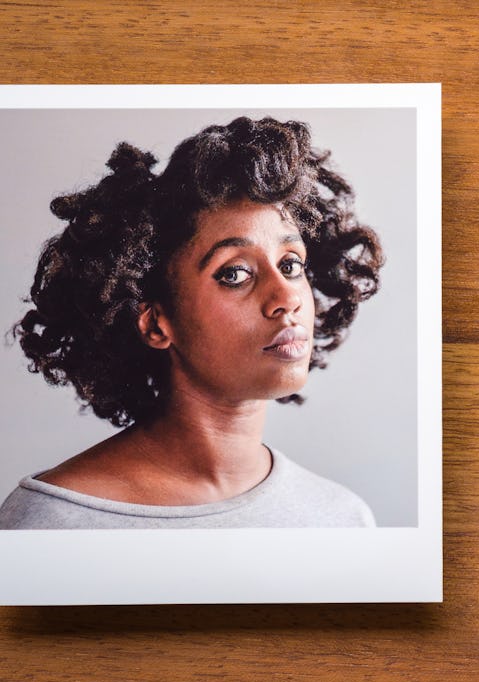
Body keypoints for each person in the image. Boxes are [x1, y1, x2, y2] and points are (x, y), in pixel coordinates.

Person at [0, 116, 384, 529]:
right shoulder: (53, 522)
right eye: (234, 273)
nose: (287, 298)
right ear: (156, 323)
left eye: (290, 264)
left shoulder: (341, 519)